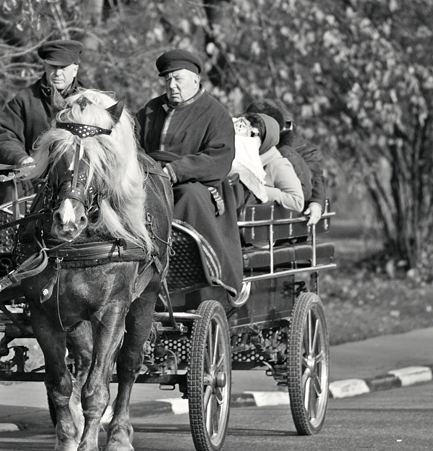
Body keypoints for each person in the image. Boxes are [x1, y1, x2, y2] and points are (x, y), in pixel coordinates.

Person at [136, 49, 243, 300]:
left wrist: (175, 170)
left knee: (188, 196)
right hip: (149, 180)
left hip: (197, 185)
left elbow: (219, 158)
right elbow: (133, 143)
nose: (172, 85)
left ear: (195, 79)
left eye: (178, 79)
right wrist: (145, 167)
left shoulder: (215, 114)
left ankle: (201, 275)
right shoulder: (151, 109)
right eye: (167, 80)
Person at [0, 39, 92, 206]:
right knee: (8, 191)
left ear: (75, 69)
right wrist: (21, 159)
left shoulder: (90, 103)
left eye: (63, 68)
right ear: (45, 67)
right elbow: (3, 137)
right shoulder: (24, 100)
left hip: (77, 183)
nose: (57, 73)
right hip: (31, 182)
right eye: (53, 67)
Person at [244, 99, 327, 225]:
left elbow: (315, 177)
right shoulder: (247, 142)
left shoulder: (298, 150)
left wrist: (316, 203)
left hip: (284, 217)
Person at [243, 112, 305, 213]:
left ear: (266, 137)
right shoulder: (239, 158)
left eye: (252, 134)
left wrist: (259, 190)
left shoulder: (277, 164)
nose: (246, 138)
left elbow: (297, 202)